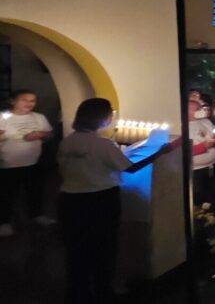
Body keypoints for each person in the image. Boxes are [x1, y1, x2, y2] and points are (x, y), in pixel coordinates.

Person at [56, 98, 167, 304]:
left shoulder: (68, 140)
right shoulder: (103, 144)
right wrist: (159, 153)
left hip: (70, 200)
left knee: (76, 250)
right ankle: (103, 292)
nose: (111, 117)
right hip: (100, 200)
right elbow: (129, 167)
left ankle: (77, 293)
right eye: (110, 114)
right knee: (103, 248)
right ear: (102, 118)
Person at [0, 90, 54, 236]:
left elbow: (49, 134)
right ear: (13, 101)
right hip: (8, 164)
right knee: (7, 194)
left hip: (34, 161)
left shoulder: (39, 117)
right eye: (24, 100)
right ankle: (4, 222)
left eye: (32, 101)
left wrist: (40, 134)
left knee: (35, 190)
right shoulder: (3, 117)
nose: (29, 104)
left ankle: (36, 215)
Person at [188, 100, 215, 206]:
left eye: (200, 108)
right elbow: (184, 150)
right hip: (197, 170)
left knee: (213, 193)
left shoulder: (205, 121)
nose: (201, 111)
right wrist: (203, 146)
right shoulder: (183, 126)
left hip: (212, 165)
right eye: (197, 109)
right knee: (199, 196)